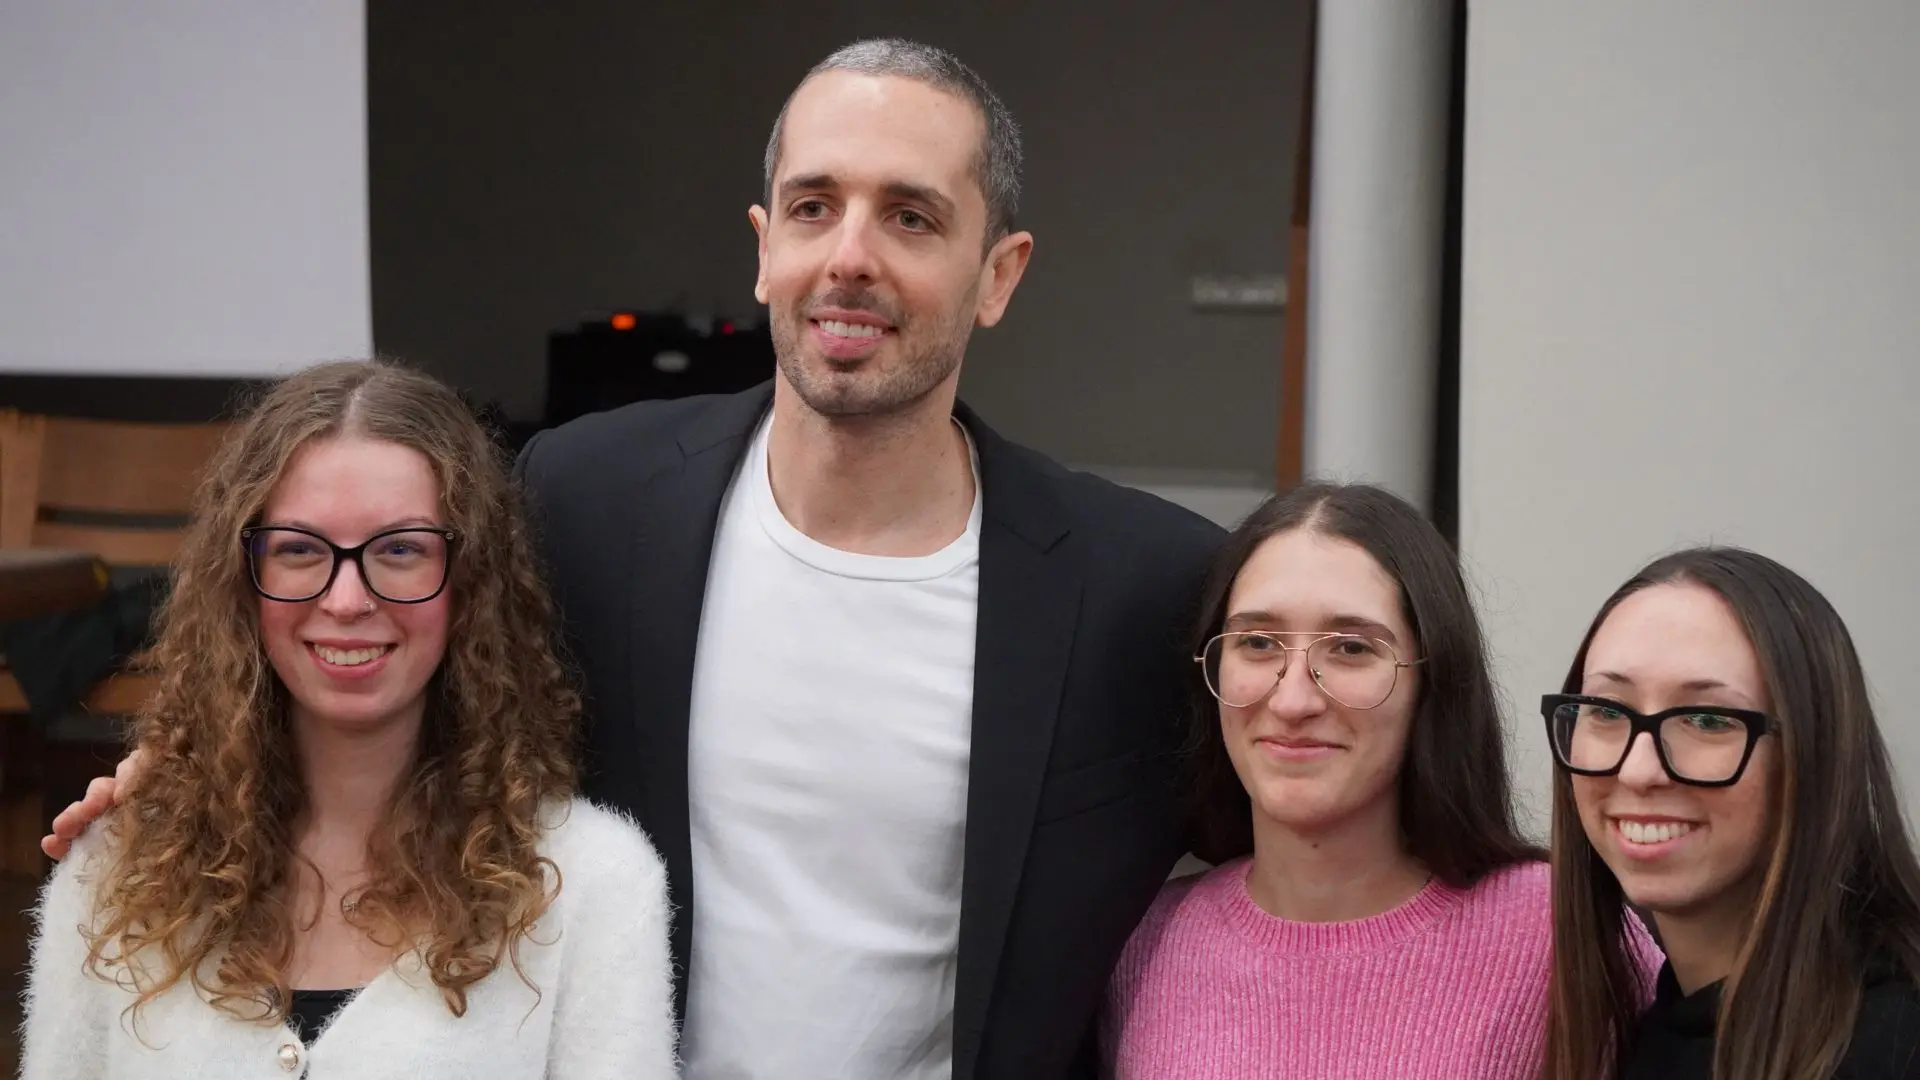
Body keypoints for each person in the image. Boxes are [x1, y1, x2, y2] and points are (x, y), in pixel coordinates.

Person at [47, 39, 1222, 1080]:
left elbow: (1314, 828)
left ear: (1000, 272)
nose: (850, 256)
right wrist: (192, 763)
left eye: (911, 217)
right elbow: (384, 641)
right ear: (765, 248)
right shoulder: (589, 496)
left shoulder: (1134, 584)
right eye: (814, 207)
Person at [23, 360, 676, 1079]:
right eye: (301, 550)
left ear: (473, 583)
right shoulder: (117, 874)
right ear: (242, 581)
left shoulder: (591, 884)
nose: (346, 599)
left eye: (400, 550)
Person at [1105, 482, 1596, 1078]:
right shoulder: (1140, 943)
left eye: (1351, 648)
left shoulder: (1562, 929)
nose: (1292, 699)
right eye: (1257, 642)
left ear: (1432, 681)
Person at [1540, 546, 1920, 1080]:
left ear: (1814, 753)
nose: (1638, 771)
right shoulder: (1627, 1041)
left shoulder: (1894, 1043)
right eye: (1606, 711)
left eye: (1707, 719)